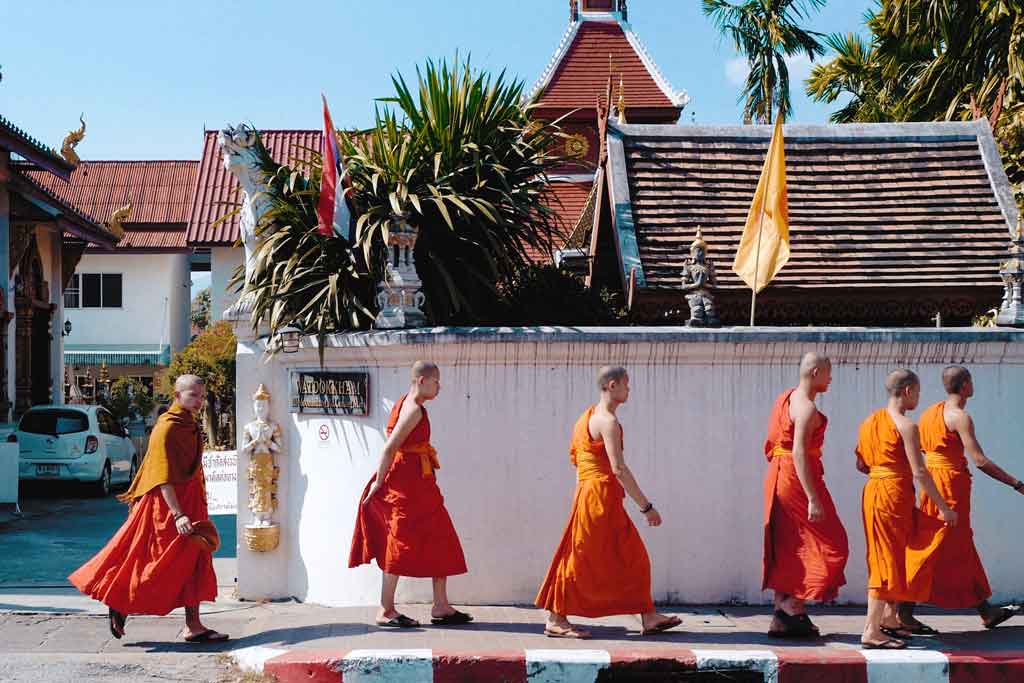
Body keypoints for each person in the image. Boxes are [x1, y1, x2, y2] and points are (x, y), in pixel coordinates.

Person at [69, 375, 226, 643]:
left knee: (196, 561)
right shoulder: (166, 427)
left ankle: (193, 625)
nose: (199, 401)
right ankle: (120, 602)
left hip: (192, 503)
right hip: (169, 509)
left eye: (201, 396)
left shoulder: (188, 423)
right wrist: (178, 514)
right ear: (177, 395)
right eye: (193, 395)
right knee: (160, 566)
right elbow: (162, 476)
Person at [535, 366, 681, 639]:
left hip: (590, 493)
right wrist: (646, 507)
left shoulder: (586, 417)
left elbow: (580, 464)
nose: (629, 390)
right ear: (612, 386)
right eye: (627, 385)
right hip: (600, 496)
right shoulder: (608, 421)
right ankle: (556, 618)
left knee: (629, 556)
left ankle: (648, 615)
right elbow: (619, 469)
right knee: (582, 556)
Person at [897, 366, 1020, 633]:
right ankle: (903, 610)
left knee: (959, 546)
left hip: (935, 483)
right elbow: (979, 460)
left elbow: (923, 449)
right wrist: (1016, 483)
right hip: (949, 488)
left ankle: (986, 611)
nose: (972, 385)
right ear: (964, 386)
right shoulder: (959, 417)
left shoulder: (930, 413)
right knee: (932, 546)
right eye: (971, 381)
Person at [349, 361, 471, 628]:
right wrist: (378, 483)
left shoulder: (403, 402)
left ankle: (440, 605)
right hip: (406, 486)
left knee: (441, 536)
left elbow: (394, 438)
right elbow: (390, 447)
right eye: (435, 381)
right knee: (399, 542)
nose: (439, 386)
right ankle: (386, 609)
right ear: (421, 380)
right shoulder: (414, 410)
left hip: (419, 484)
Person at [855, 369, 956, 649]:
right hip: (892, 494)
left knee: (894, 554)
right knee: (885, 559)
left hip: (875, 490)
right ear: (908, 390)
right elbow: (920, 472)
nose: (919, 398)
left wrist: (885, 470)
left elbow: (861, 464)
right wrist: (944, 508)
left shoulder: (869, 422)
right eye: (919, 392)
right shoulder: (906, 426)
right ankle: (870, 630)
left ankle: (889, 619)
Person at [762, 353, 849, 638]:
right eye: (828, 373)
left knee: (789, 544)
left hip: (779, 475)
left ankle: (781, 616)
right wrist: (813, 497)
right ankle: (792, 603)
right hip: (797, 477)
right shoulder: (807, 408)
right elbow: (798, 451)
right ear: (814, 372)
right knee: (834, 544)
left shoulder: (785, 397)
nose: (832, 379)